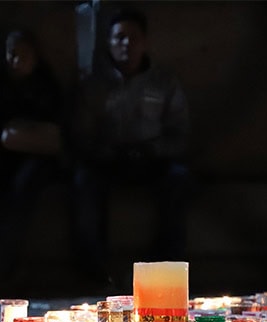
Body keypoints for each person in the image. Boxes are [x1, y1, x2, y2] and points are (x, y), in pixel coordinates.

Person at [67, 7, 193, 281]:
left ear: (145, 41)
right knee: (83, 181)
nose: (126, 44)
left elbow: (180, 132)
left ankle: (167, 268)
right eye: (119, 37)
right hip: (108, 160)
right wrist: (105, 152)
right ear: (109, 42)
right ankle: (93, 270)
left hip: (152, 159)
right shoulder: (94, 85)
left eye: (133, 37)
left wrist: (153, 149)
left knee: (179, 179)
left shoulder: (164, 82)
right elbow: (81, 134)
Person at [0, 29, 64, 272]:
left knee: (26, 183)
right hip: (1, 153)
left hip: (36, 156)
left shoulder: (45, 85)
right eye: (12, 54)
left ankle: (6, 256)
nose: (17, 61)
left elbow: (54, 126)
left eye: (24, 55)